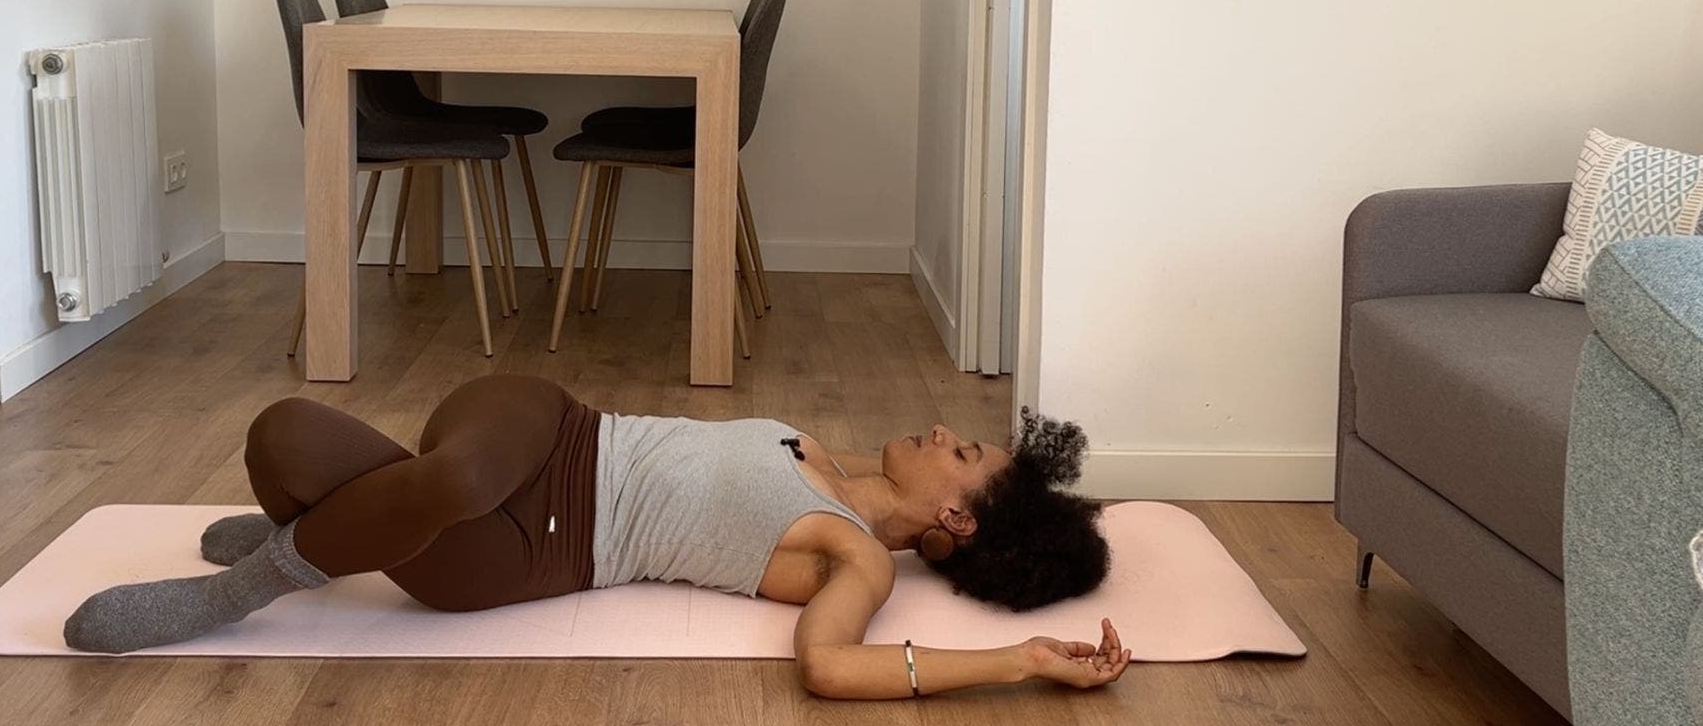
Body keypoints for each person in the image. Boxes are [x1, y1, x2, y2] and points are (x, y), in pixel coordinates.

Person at [64, 374, 1126, 700]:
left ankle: (249, 583)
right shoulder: (832, 454)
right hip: (548, 423)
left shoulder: (849, 557)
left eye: (967, 455)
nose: (947, 432)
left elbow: (834, 668)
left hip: (531, 548)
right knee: (432, 468)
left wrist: (1024, 660)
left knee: (286, 438)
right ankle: (324, 539)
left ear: (956, 517)